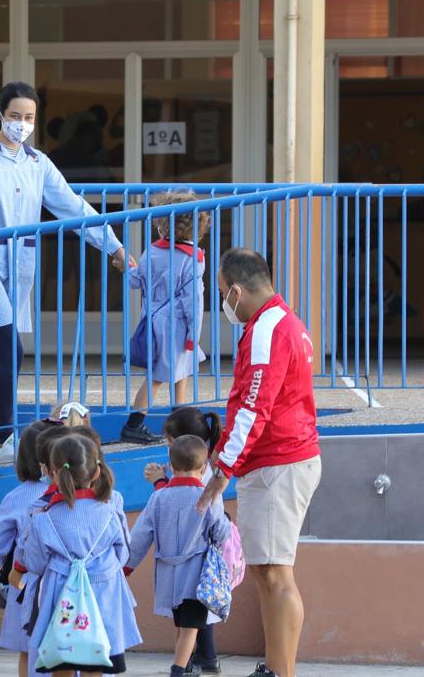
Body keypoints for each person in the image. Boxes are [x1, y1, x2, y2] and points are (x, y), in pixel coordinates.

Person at [0, 81, 135, 462]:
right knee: (8, 347)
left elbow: (73, 207)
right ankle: (3, 439)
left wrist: (112, 245)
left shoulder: (38, 164)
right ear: (1, 114)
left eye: (29, 117)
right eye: (15, 116)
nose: (22, 123)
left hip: (16, 267)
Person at [196, 248, 322, 677]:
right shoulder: (283, 322)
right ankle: (275, 667)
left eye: (220, 294)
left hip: (277, 463)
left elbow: (254, 406)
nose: (222, 304)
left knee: (275, 575)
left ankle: (281, 672)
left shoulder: (268, 328)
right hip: (281, 460)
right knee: (269, 574)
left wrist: (221, 471)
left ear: (235, 290)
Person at [17, 433, 141, 676]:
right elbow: (123, 556)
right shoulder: (110, 514)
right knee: (97, 664)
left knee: (60, 660)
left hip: (59, 607)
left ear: (53, 473)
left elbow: (35, 563)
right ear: (96, 472)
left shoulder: (43, 519)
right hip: (104, 602)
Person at [127, 435, 231, 677]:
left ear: (171, 466)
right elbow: (221, 532)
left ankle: (184, 667)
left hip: (168, 577)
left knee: (183, 626)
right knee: (190, 629)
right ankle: (178, 670)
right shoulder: (209, 496)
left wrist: (126, 567)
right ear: (205, 467)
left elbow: (141, 534)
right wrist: (225, 519)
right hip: (197, 577)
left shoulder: (158, 497)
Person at [121, 192, 210, 444]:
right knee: (161, 376)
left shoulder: (152, 251)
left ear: (162, 223)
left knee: (176, 371)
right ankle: (133, 425)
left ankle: (179, 420)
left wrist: (128, 267)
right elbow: (194, 301)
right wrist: (194, 334)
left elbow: (136, 280)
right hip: (178, 325)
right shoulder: (193, 259)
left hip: (153, 320)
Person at [0, 418, 57, 677]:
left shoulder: (18, 496)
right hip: (64, 583)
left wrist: (5, 561)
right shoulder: (69, 493)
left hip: (25, 583)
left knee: (27, 650)